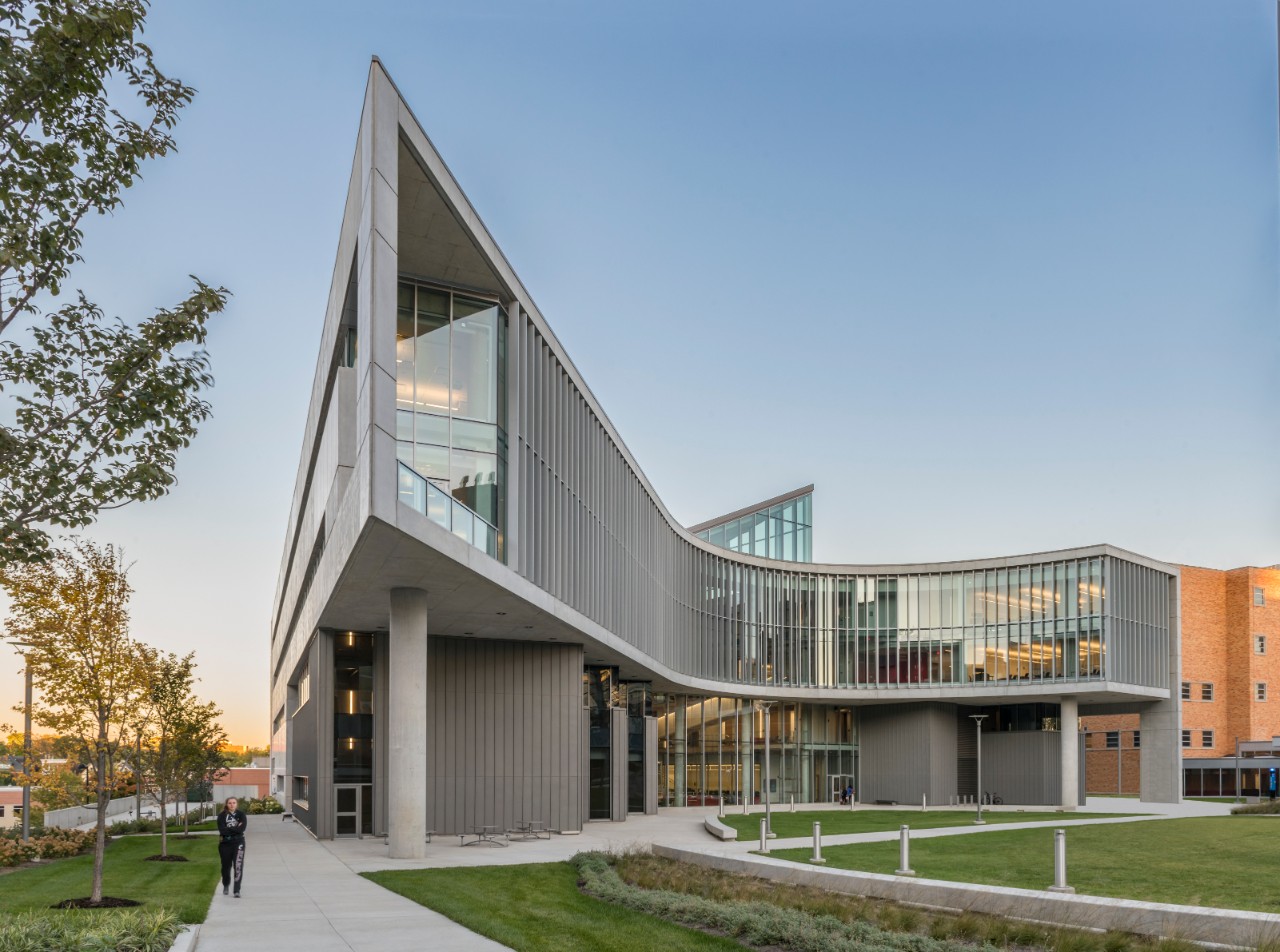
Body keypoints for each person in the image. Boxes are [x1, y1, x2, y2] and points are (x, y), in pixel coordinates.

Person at [217, 796, 248, 898]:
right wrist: (236, 828)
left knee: (238, 866)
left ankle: (236, 890)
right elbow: (222, 830)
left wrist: (230, 828)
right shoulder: (222, 816)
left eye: (234, 803)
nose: (232, 805)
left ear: (237, 804)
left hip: (239, 842)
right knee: (226, 867)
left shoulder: (241, 815)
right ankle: (226, 884)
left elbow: (241, 829)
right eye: (230, 803)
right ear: (227, 804)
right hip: (225, 844)